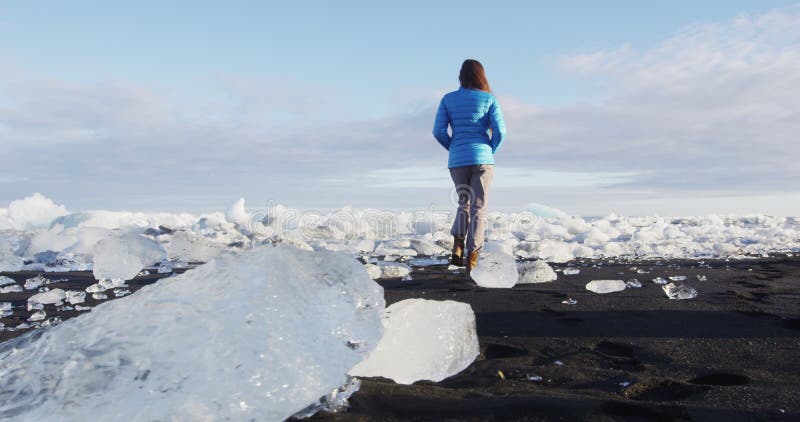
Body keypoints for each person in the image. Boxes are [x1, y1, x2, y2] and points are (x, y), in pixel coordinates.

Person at [433, 59, 506, 274]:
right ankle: (473, 257)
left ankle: (458, 245)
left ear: (461, 76)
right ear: (481, 76)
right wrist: (489, 150)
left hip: (457, 160)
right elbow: (501, 132)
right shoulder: (488, 99)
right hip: (482, 159)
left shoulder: (448, 99)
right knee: (479, 208)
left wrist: (454, 149)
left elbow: (438, 131)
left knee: (463, 203)